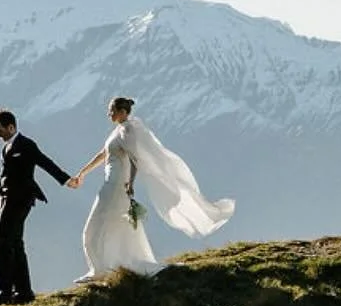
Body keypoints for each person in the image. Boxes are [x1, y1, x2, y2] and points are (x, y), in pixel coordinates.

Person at [71, 95, 234, 280]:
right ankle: (106, 267)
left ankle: (100, 269)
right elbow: (104, 153)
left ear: (123, 112)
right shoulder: (118, 130)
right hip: (111, 183)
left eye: (112, 110)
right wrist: (83, 172)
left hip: (116, 185)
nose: (109, 114)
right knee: (116, 225)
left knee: (94, 226)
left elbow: (135, 159)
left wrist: (130, 183)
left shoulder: (128, 130)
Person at [0, 108, 79, 304]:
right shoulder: (6, 148)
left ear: (11, 127)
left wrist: (66, 180)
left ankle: (5, 292)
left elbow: (45, 162)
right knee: (15, 243)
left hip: (21, 199)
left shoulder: (26, 145)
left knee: (3, 243)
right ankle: (24, 292)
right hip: (6, 199)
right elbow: (3, 175)